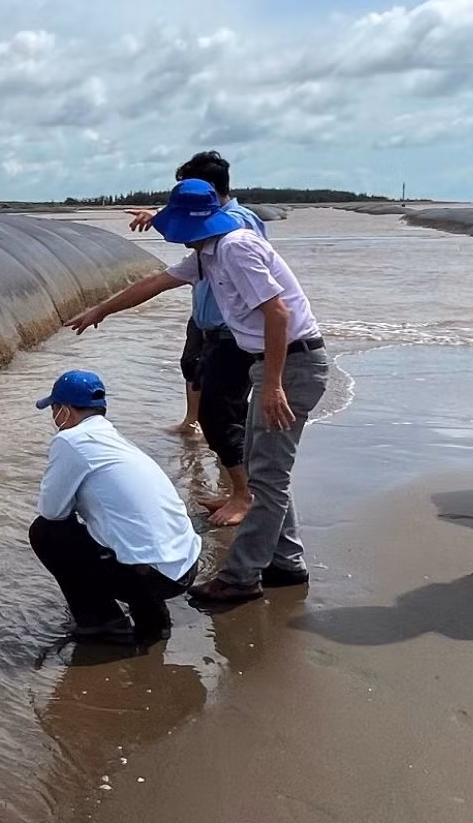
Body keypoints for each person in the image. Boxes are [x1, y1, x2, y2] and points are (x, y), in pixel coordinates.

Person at [66, 179, 330, 606]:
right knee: (268, 471)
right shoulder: (209, 253)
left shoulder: (235, 248)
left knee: (267, 479)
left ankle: (242, 578)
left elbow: (278, 313)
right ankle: (286, 562)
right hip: (274, 363)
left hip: (290, 364)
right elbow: (155, 282)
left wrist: (273, 384)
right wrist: (101, 310)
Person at [124, 151, 267, 525]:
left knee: (224, 413)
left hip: (231, 330)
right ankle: (237, 487)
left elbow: (276, 307)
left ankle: (244, 494)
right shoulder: (215, 230)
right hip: (208, 319)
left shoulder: (234, 229)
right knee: (208, 395)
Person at [29, 370, 202, 644]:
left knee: (45, 532)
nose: (54, 418)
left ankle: (103, 623)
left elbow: (51, 512)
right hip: (186, 567)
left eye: (54, 409)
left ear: (65, 410)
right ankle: (152, 614)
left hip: (155, 578)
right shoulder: (114, 438)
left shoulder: (70, 440)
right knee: (116, 531)